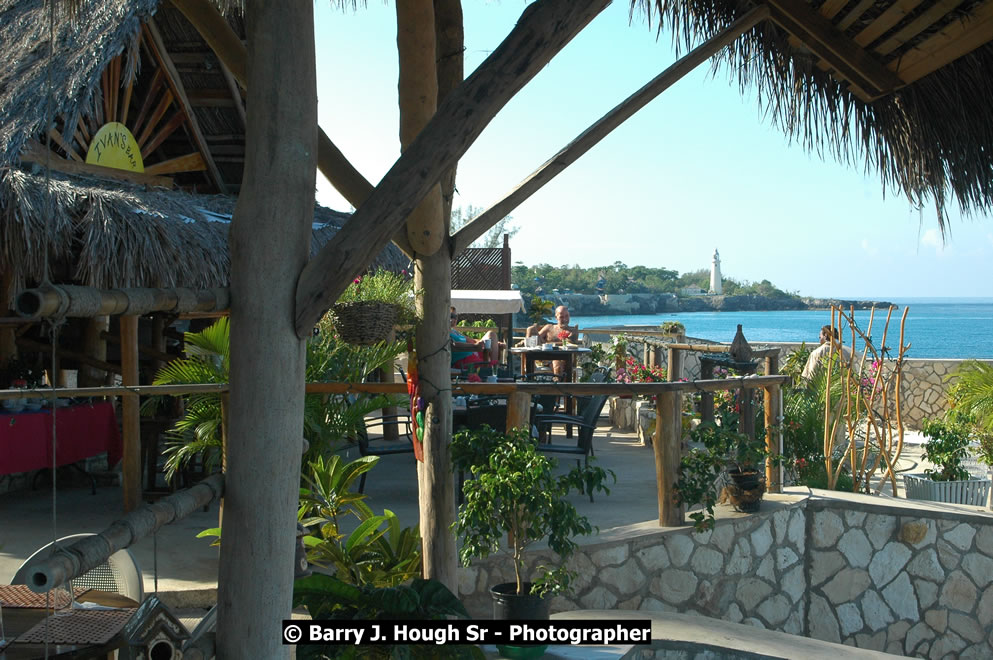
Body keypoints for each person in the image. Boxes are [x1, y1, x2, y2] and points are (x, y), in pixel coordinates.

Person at [450, 307, 504, 372]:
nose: (455, 319)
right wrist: (475, 346)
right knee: (484, 367)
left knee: (491, 334)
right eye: (452, 316)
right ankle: (493, 370)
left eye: (456, 316)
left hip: (472, 353)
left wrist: (494, 343)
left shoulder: (454, 332)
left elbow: (473, 341)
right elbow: (452, 345)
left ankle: (494, 367)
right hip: (462, 359)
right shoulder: (443, 334)